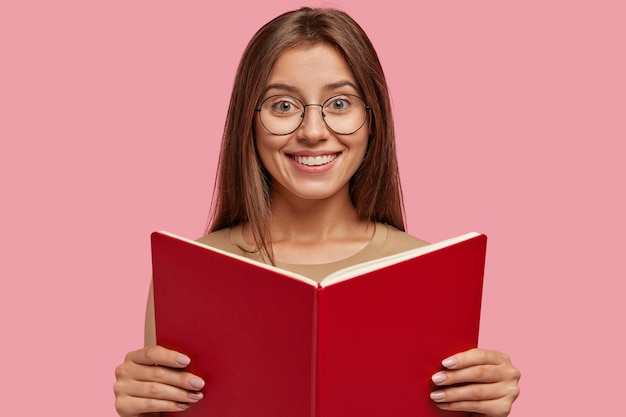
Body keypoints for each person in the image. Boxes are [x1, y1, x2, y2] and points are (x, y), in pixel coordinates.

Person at [114, 7, 520, 417]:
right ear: (248, 123)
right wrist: (140, 412)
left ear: (372, 119)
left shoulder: (435, 270)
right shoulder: (188, 272)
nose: (312, 131)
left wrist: (484, 410)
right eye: (284, 105)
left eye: (340, 103)